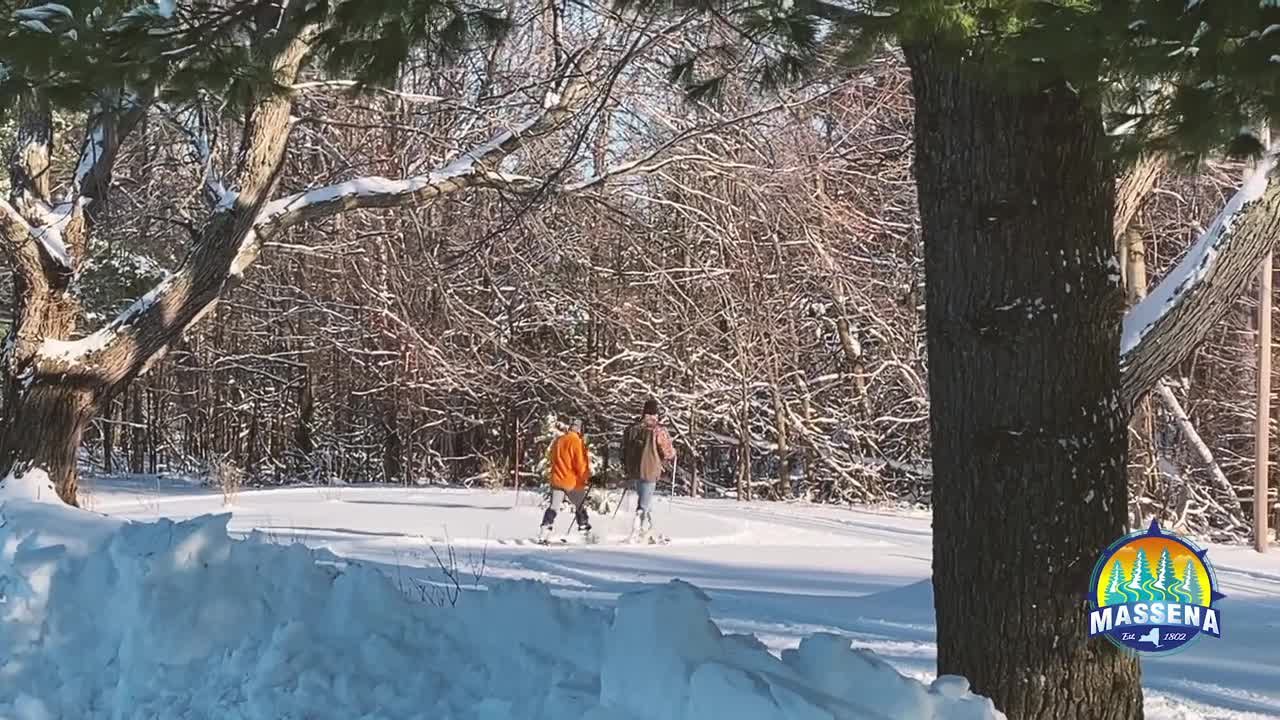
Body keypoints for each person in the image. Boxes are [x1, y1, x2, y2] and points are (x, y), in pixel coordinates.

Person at [622, 399, 675, 539]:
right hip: (650, 470)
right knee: (644, 504)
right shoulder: (658, 431)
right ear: (655, 414)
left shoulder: (633, 429)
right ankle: (637, 530)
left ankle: (651, 529)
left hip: (635, 470)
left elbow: (624, 449)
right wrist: (672, 455)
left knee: (646, 500)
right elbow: (667, 451)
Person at [539, 416, 592, 542]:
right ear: (580, 428)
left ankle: (544, 531)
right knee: (580, 506)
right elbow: (580, 464)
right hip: (572, 482)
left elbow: (552, 459)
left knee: (553, 507)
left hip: (557, 480)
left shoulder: (559, 440)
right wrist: (587, 477)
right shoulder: (576, 442)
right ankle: (584, 532)